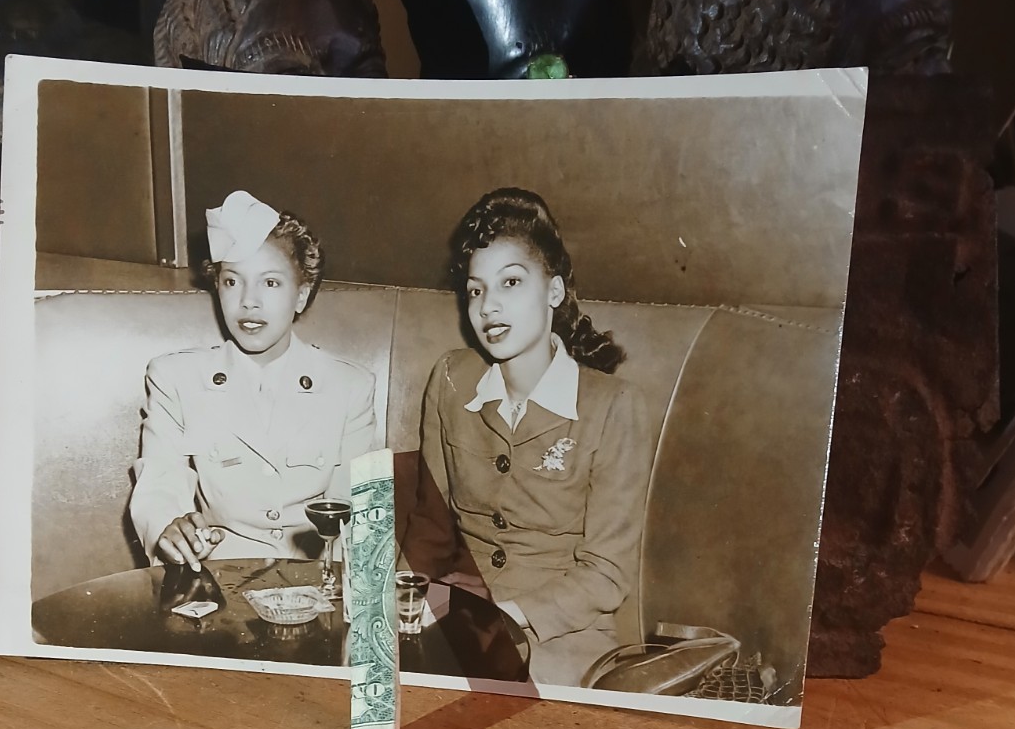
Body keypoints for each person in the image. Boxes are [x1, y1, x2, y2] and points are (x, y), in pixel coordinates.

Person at [402, 187, 651, 687]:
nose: (489, 306)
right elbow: (431, 525)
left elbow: (605, 572)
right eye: (476, 290)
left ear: (554, 292)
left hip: (564, 634)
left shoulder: (613, 405)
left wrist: (505, 614)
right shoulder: (451, 380)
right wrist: (402, 598)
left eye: (511, 282)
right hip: (457, 612)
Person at [128, 189, 377, 571]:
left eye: (270, 283)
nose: (249, 301)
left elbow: (360, 518)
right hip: (219, 580)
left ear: (302, 295)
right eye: (232, 282)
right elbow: (160, 481)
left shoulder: (350, 387)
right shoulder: (176, 378)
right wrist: (168, 526)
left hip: (318, 581)